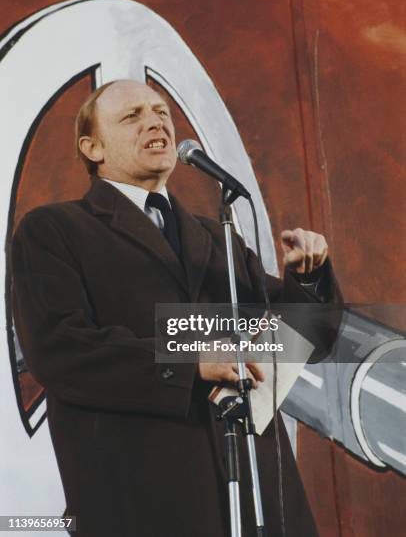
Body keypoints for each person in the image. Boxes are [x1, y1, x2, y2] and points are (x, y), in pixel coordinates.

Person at [11, 80, 341, 537]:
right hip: (145, 492)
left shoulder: (216, 236)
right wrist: (191, 362)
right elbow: (60, 349)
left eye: (162, 111)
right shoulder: (54, 230)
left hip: (253, 491)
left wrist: (307, 279)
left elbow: (303, 341)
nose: (157, 121)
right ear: (92, 147)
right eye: (132, 115)